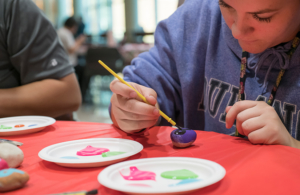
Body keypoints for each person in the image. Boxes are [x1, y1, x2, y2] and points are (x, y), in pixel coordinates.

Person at [109, 0, 300, 149]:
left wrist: (292, 146)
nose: (237, 31)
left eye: (262, 16)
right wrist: (130, 109)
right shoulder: (197, 18)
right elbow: (140, 83)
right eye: (226, 5)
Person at [0, 0, 81, 120]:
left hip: (27, 132)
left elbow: (68, 95)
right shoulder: (65, 34)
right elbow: (72, 49)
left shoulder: (12, 7)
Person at [57, 17, 87, 95]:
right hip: (68, 63)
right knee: (85, 72)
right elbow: (71, 49)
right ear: (73, 26)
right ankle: (81, 94)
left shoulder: (60, 31)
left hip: (62, 62)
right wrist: (80, 40)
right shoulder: (66, 33)